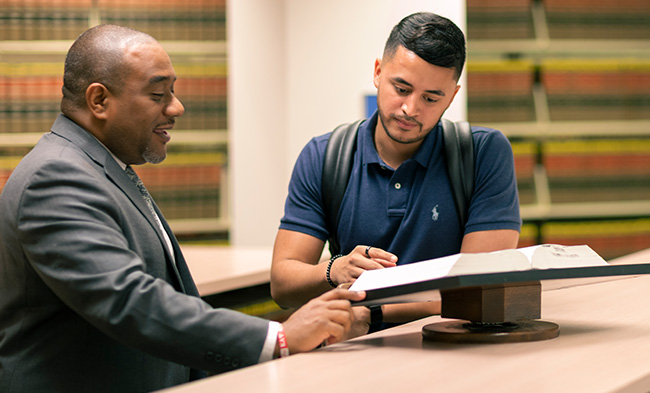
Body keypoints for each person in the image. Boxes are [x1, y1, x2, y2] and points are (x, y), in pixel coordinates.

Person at [0, 24, 365, 393]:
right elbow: (130, 302)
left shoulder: (100, 166)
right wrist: (280, 337)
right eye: (158, 93)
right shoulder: (57, 176)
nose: (177, 107)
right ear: (99, 101)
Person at [271, 12, 521, 334]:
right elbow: (282, 283)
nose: (411, 109)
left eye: (431, 98)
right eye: (401, 89)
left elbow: (479, 289)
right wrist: (335, 269)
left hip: (455, 354)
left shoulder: (483, 153)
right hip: (357, 359)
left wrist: (371, 311)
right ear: (378, 72)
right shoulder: (324, 156)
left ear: (453, 96)